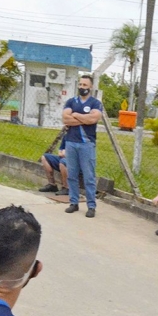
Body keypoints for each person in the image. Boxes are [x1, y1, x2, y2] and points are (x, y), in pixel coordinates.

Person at [62, 74, 103, 218]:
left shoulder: (95, 103)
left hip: (87, 144)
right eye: (80, 84)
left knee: (88, 176)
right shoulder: (71, 101)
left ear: (91, 87)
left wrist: (75, 115)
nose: (82, 87)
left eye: (85, 85)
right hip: (71, 142)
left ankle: (91, 206)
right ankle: (73, 202)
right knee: (72, 175)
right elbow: (65, 119)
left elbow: (93, 119)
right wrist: (83, 119)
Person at [38, 128, 68, 195]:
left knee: (63, 161)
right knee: (45, 157)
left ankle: (66, 187)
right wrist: (63, 153)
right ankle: (52, 185)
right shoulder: (66, 136)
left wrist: (66, 153)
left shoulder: (79, 138)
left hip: (75, 162)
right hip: (64, 157)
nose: (66, 126)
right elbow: (60, 152)